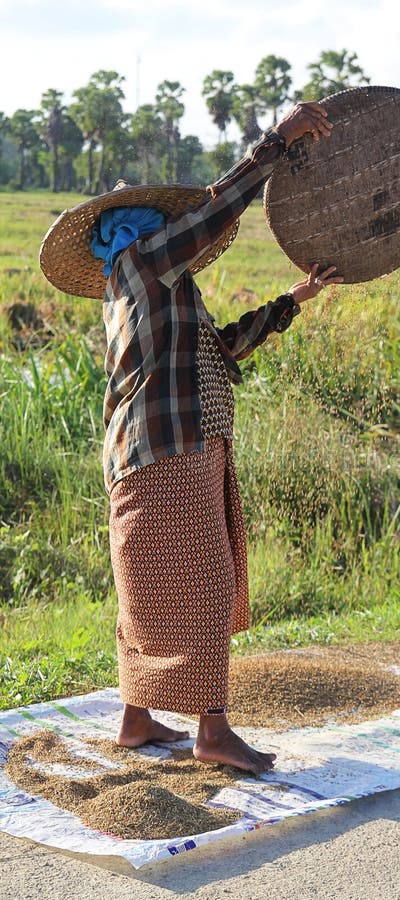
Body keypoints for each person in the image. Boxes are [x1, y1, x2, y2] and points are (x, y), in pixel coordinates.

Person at [39, 102, 341, 775]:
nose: (185, 233)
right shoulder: (146, 264)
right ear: (145, 231)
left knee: (148, 591)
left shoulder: (153, 287)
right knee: (203, 584)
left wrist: (291, 303)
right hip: (166, 455)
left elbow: (223, 350)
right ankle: (213, 731)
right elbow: (216, 209)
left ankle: (137, 719)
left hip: (168, 452)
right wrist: (277, 142)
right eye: (173, 227)